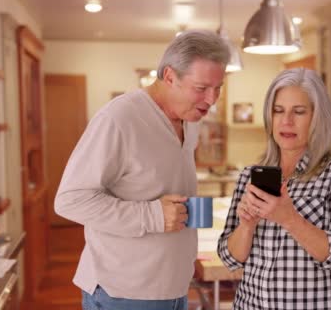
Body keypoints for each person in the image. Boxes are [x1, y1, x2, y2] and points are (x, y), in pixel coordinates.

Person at [55, 29, 230, 310]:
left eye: (217, 87)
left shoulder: (191, 119)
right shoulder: (119, 119)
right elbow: (70, 201)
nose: (212, 99)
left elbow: (161, 187)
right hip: (123, 294)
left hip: (174, 288)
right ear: (169, 76)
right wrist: (152, 215)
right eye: (201, 88)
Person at [217, 68, 331, 309]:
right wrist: (246, 225)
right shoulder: (251, 176)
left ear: (317, 118)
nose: (286, 121)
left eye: (298, 112)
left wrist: (289, 219)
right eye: (278, 111)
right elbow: (229, 258)